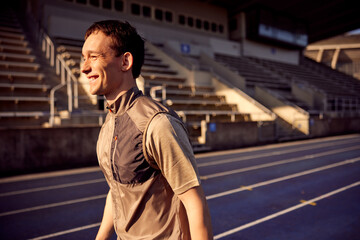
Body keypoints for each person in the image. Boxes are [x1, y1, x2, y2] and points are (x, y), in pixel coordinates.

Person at [81, 20, 213, 240]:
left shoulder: (158, 123)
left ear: (125, 61)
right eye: (84, 58)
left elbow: (194, 202)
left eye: (94, 57)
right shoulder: (109, 123)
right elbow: (117, 190)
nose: (84, 67)